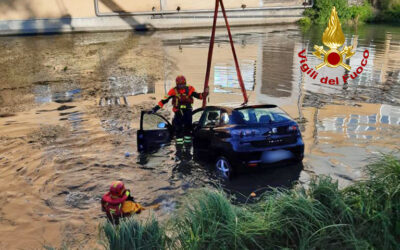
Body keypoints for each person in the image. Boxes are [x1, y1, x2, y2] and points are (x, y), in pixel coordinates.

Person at [151, 75, 208, 145]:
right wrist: (155, 108)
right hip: (178, 111)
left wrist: (204, 94)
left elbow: (198, 96)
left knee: (188, 127)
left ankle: (187, 145)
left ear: (185, 83)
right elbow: (164, 100)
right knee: (178, 128)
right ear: (177, 84)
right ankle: (179, 145)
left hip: (188, 111)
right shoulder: (172, 91)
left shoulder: (190, 89)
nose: (181, 86)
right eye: (180, 85)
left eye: (183, 84)